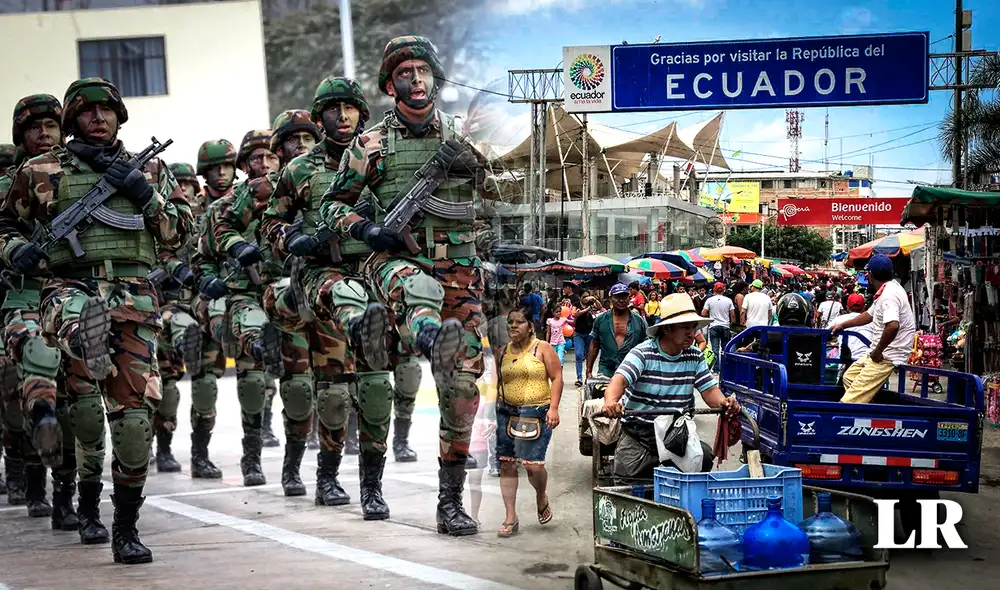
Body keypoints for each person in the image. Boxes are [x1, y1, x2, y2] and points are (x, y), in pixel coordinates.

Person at [0, 77, 184, 564]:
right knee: (76, 337)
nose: (98, 119)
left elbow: (180, 234)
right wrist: (15, 247)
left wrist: (145, 195)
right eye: (86, 112)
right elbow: (4, 224)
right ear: (72, 120)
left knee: (133, 424)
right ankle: (85, 339)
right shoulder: (42, 171)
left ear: (120, 116)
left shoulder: (152, 170)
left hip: (135, 297)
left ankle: (125, 527)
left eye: (107, 111)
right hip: (69, 287)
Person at [318, 35, 489, 536]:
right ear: (390, 84)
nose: (417, 80)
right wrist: (367, 229)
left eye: (423, 71)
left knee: (460, 390)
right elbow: (333, 205)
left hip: (461, 271)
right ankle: (426, 338)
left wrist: (483, 169)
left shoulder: (465, 137)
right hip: (396, 265)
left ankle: (450, 502)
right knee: (411, 312)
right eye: (406, 72)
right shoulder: (371, 145)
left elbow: (507, 194)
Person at [258, 93, 394, 513]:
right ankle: (328, 477)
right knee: (334, 395)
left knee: (375, 389)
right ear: (322, 117)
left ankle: (372, 487)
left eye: (350, 107)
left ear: (362, 113)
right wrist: (291, 239)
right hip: (324, 280)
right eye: (334, 109)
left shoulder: (382, 157)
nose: (343, 115)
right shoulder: (300, 169)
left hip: (373, 277)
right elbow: (271, 221)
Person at [0, 94, 78, 528]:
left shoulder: (78, 175)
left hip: (72, 292)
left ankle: (64, 496)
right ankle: (30, 481)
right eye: (34, 127)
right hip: (20, 295)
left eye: (51, 125)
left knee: (69, 399)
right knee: (25, 383)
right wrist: (12, 253)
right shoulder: (7, 185)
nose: (43, 133)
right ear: (21, 136)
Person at [603, 294, 741, 480]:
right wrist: (611, 402)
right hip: (639, 433)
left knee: (704, 458)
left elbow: (709, 391)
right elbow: (618, 381)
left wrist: (725, 402)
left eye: (693, 327)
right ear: (667, 328)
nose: (692, 333)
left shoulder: (694, 356)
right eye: (685, 327)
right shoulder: (643, 353)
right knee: (624, 480)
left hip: (677, 432)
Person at [496, 307, 562, 537]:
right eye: (510, 322)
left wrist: (553, 408)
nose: (513, 326)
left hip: (537, 413)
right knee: (507, 464)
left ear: (530, 326)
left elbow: (557, 377)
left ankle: (541, 494)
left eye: (519, 322)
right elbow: (496, 383)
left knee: (533, 466)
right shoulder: (502, 352)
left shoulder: (542, 348)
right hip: (506, 412)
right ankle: (510, 516)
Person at [832, 255, 917, 404]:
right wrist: (844, 325)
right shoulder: (887, 290)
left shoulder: (889, 296)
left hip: (887, 355)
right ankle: (865, 410)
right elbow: (869, 315)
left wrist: (878, 351)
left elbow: (893, 325)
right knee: (849, 377)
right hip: (878, 352)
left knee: (848, 402)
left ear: (870, 275)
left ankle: (857, 414)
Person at [586, 283, 647, 379]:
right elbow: (594, 345)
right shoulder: (601, 320)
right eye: (617, 297)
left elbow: (645, 346)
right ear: (611, 299)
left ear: (629, 298)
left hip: (631, 369)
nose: (621, 300)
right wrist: (588, 371)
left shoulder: (638, 320)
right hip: (606, 370)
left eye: (624, 296)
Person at [828, 293, 873, 366]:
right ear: (863, 308)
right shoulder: (872, 321)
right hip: (867, 362)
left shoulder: (839, 319)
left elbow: (825, 333)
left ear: (847, 307)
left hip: (846, 362)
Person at [701, 282, 735, 372]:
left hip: (713, 326)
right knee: (725, 348)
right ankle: (725, 368)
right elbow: (733, 316)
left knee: (715, 349)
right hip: (725, 326)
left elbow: (703, 313)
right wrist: (731, 324)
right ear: (723, 290)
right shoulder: (728, 300)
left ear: (714, 290)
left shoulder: (709, 300)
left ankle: (716, 369)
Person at [572, 296, 599, 387]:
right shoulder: (576, 304)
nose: (586, 299)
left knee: (589, 355)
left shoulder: (592, 304)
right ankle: (579, 378)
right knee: (579, 355)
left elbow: (600, 307)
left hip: (590, 334)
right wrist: (587, 309)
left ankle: (588, 375)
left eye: (588, 297)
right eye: (584, 297)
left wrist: (594, 299)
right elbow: (575, 314)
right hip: (578, 334)